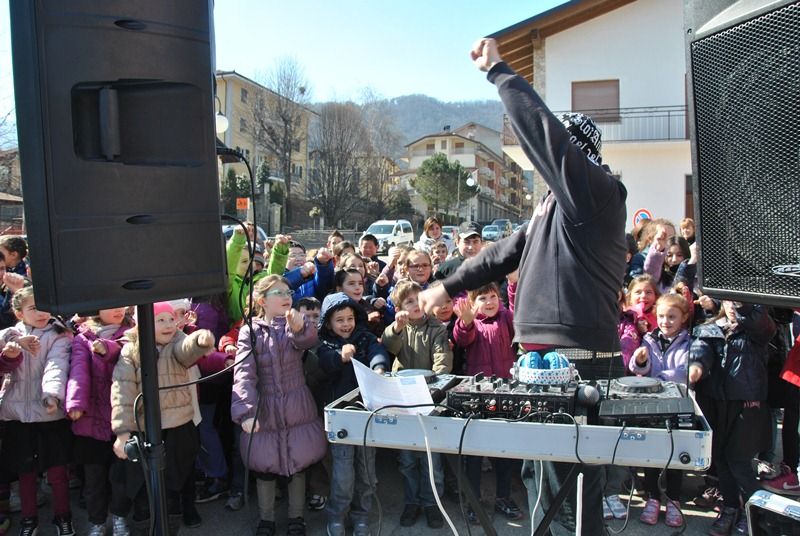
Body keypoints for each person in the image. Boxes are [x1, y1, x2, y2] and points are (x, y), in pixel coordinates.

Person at [419, 38, 627, 536]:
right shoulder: (551, 209)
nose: (541, 165)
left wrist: (499, 71)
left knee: (568, 501)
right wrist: (446, 287)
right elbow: (500, 254)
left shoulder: (596, 193)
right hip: (541, 362)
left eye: (551, 160)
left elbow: (546, 136)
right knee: (541, 484)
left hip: (577, 362)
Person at [231, 275, 326, 536]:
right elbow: (244, 373)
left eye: (288, 292)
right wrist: (246, 411)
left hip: (297, 404)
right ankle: (266, 519)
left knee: (298, 464)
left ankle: (297, 517)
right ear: (262, 301)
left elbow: (307, 341)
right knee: (265, 467)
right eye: (279, 293)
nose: (286, 297)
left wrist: (300, 327)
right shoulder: (250, 330)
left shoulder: (294, 323)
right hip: (265, 406)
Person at [111, 302, 215, 536]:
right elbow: (122, 392)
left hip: (178, 428)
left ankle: (170, 530)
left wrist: (200, 342)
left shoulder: (177, 341)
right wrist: (123, 432)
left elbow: (186, 350)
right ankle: (144, 529)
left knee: (172, 490)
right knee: (143, 491)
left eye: (171, 319)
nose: (168, 324)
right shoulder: (130, 350)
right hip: (144, 430)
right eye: (160, 320)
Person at [689, 301, 775, 536]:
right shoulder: (709, 328)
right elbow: (700, 351)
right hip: (715, 402)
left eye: (737, 302)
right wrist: (696, 366)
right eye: (728, 301)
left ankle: (757, 513)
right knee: (721, 458)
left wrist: (744, 307)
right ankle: (730, 508)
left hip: (747, 402)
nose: (732, 306)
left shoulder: (757, 330)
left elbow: (762, 325)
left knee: (738, 460)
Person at [0, 286, 74, 536]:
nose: (42, 313)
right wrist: (12, 346)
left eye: (45, 307)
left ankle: (63, 517)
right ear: (19, 313)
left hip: (49, 412)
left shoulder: (59, 334)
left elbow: (57, 366)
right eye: (34, 308)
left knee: (57, 471)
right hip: (17, 415)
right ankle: (28, 520)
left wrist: (51, 395)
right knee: (26, 473)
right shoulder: (12, 334)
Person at [317, 293, 389, 536]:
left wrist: (379, 366)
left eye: (350, 318)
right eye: (340, 320)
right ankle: (337, 515)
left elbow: (378, 351)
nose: (346, 324)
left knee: (367, 473)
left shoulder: (365, 337)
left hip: (366, 415)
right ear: (329, 324)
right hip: (341, 419)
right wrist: (340, 357)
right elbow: (325, 363)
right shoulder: (325, 344)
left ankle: (361, 516)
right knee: (343, 474)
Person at [381, 281, 452, 529]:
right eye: (408, 301)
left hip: (428, 399)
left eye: (418, 299)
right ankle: (412, 502)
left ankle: (432, 503)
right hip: (402, 401)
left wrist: (433, 390)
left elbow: (443, 361)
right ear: (399, 308)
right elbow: (390, 346)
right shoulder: (399, 328)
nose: (415, 305)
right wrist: (396, 328)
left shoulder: (437, 328)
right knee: (408, 459)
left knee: (432, 460)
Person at [452, 281, 523, 524]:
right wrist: (466, 321)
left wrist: (512, 285)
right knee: (474, 453)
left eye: (492, 296)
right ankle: (474, 501)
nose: (489, 302)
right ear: (472, 304)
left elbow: (517, 307)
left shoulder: (506, 318)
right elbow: (462, 339)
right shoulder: (473, 324)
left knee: (503, 450)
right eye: (482, 299)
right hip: (478, 397)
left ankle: (503, 497)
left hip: (505, 393)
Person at [67, 307, 135, 536]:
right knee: (94, 479)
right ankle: (97, 521)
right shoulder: (83, 337)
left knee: (121, 477)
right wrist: (76, 403)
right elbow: (78, 372)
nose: (118, 310)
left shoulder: (133, 332)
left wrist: (108, 348)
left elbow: (125, 353)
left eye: (121, 305)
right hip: (92, 418)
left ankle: (119, 518)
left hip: (123, 418)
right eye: (111, 305)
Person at [629, 293, 691, 527]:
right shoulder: (649, 339)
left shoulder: (689, 341)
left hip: (677, 403)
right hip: (653, 403)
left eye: (672, 317)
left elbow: (685, 370)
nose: (666, 321)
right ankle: (653, 497)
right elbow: (638, 370)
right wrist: (640, 360)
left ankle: (674, 499)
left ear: (684, 317)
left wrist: (659, 379)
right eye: (662, 316)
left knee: (675, 452)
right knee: (652, 451)